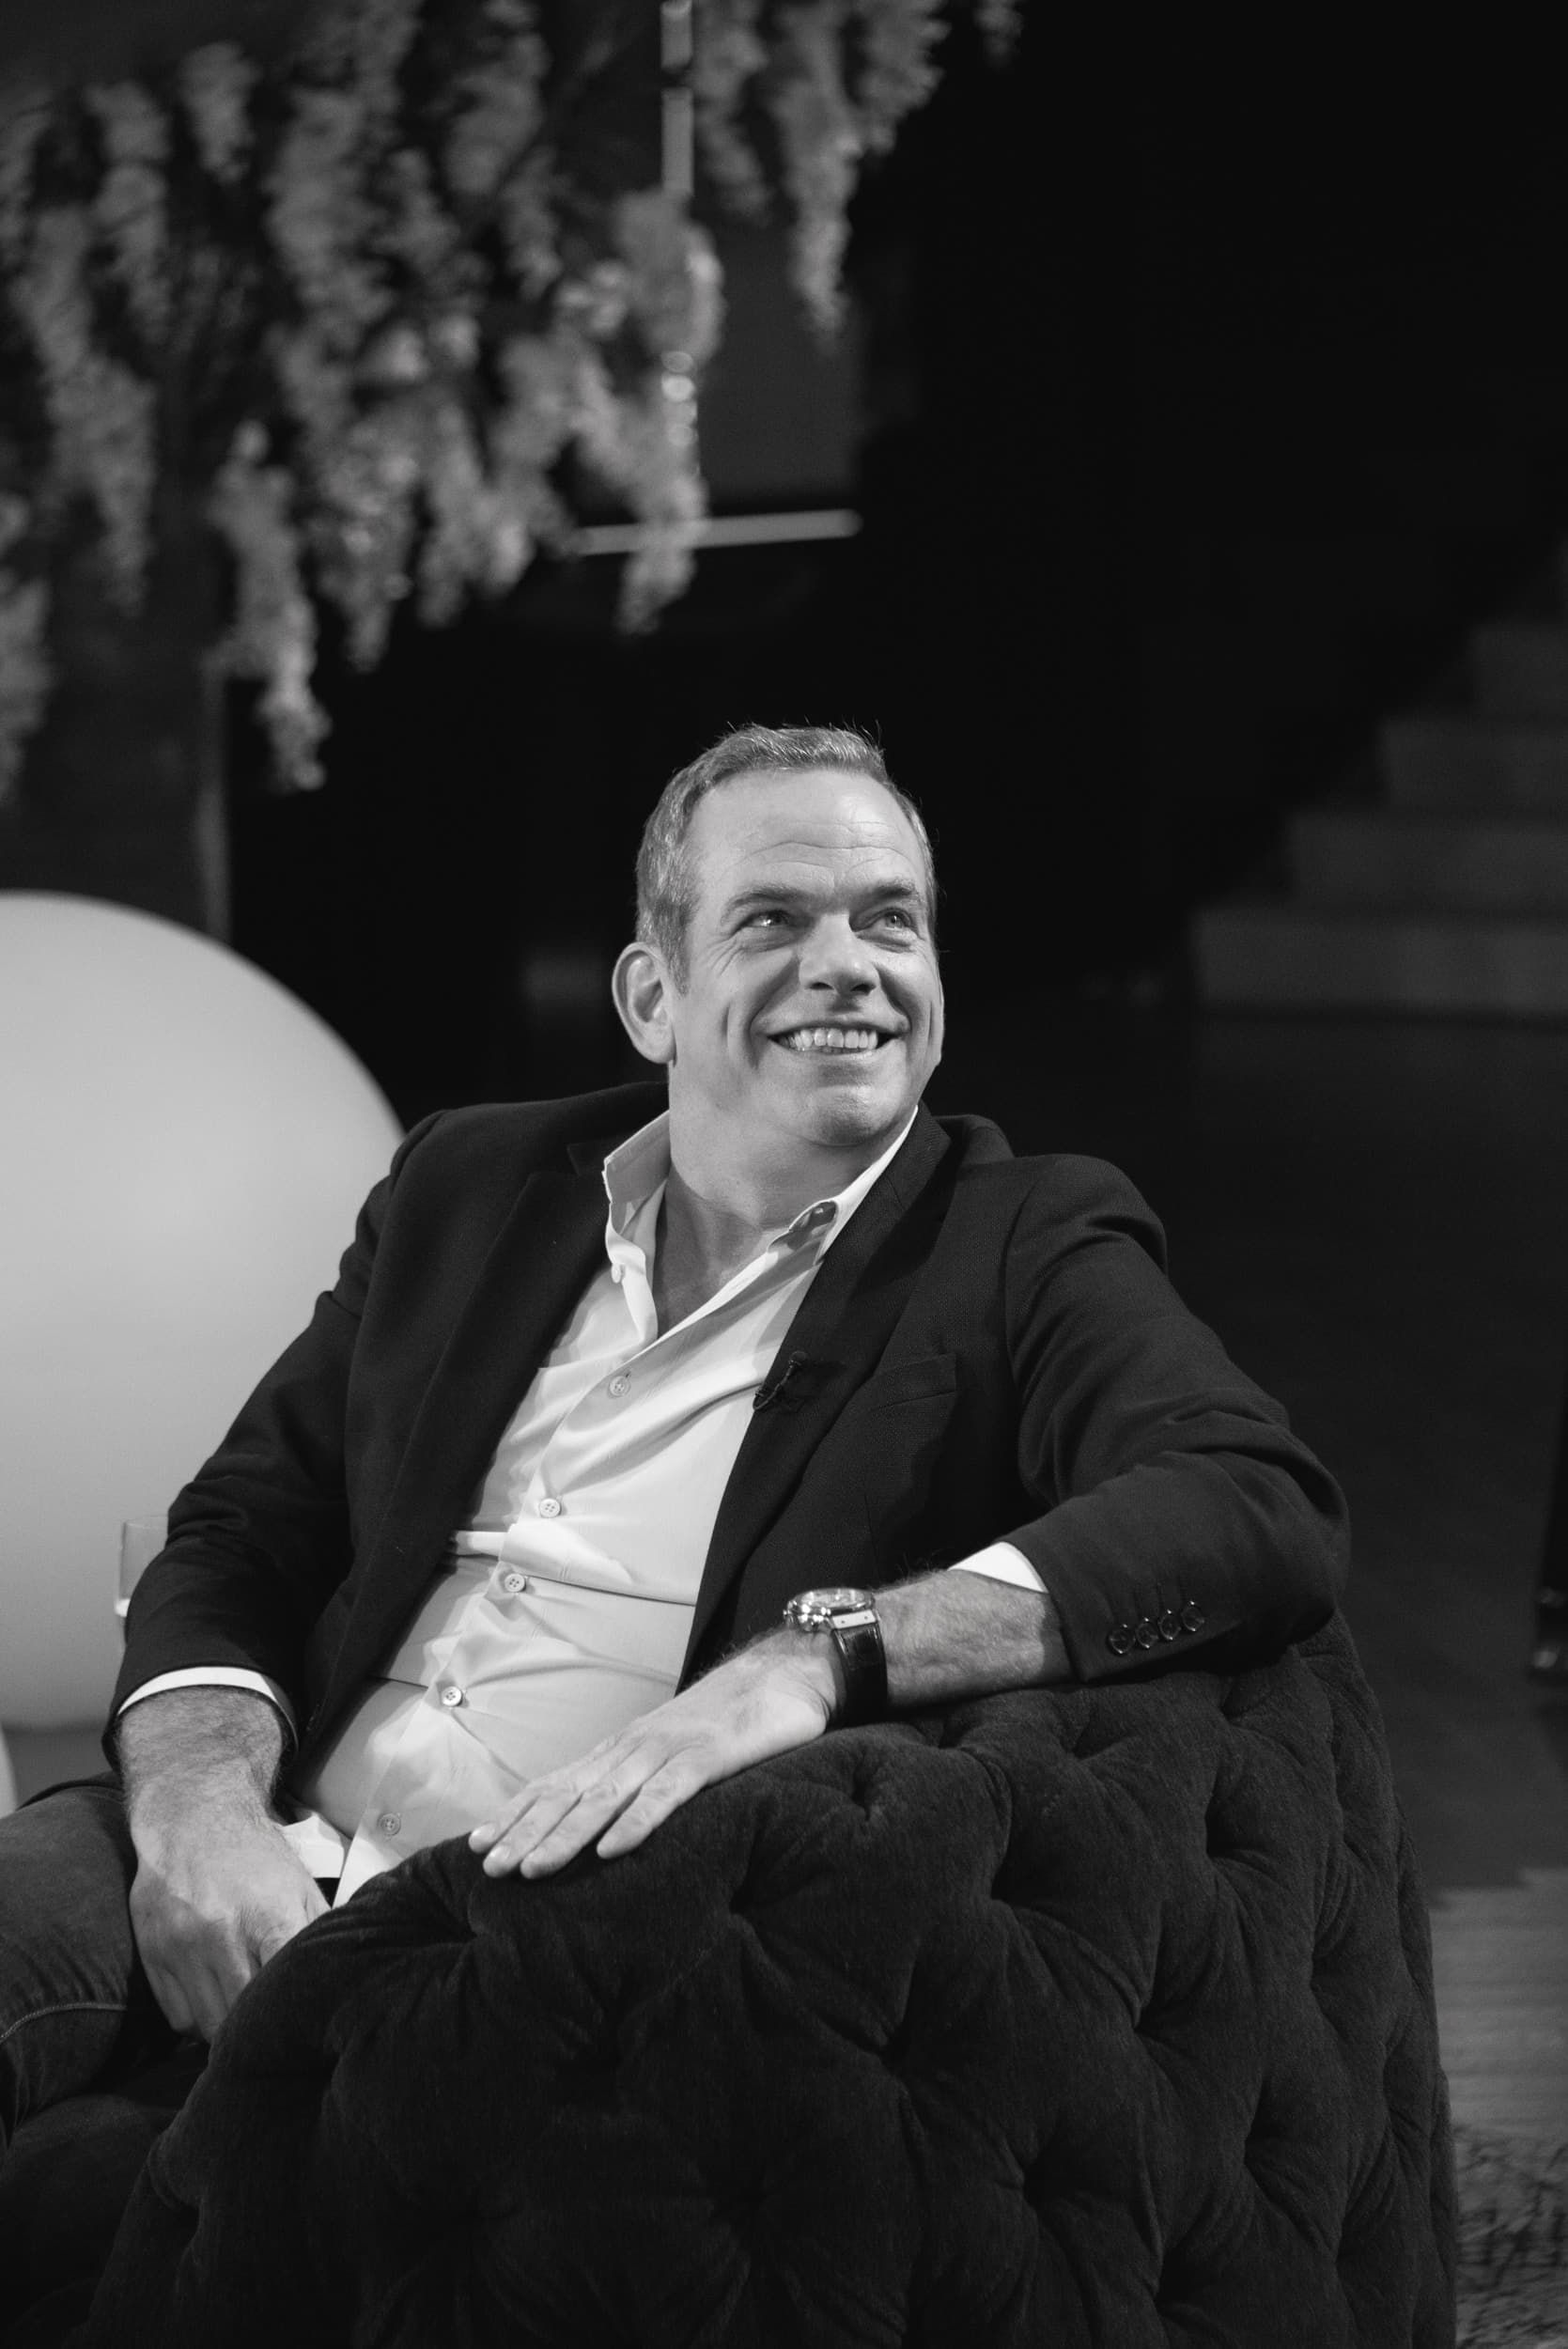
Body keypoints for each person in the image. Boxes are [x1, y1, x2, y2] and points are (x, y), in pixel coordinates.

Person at [0, 723, 1347, 2145]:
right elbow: (241, 1529)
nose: (848, 964)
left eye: (890, 921)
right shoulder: (472, 1184)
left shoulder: (1025, 1242)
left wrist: (829, 1651)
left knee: (138, 2191)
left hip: (563, 1924)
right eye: (773, 920)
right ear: (653, 995)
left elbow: (1251, 1503)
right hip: (273, 1823)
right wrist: (197, 1808)